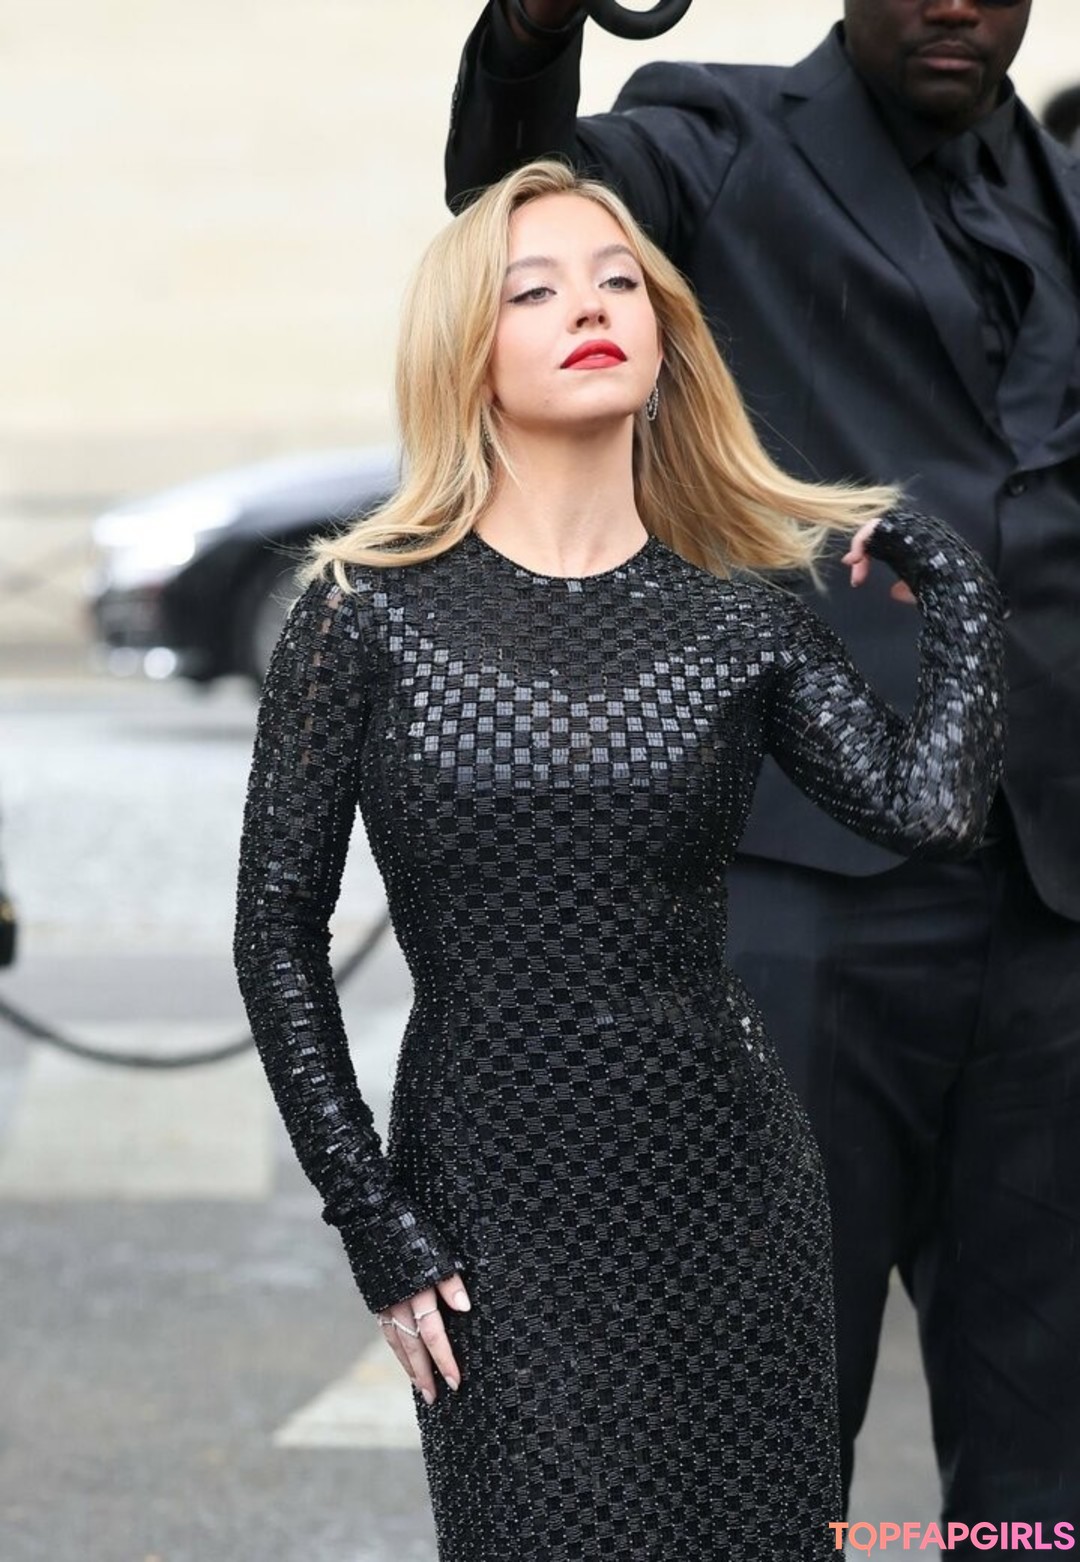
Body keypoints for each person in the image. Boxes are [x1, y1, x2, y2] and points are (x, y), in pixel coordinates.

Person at [232, 159, 1004, 1561]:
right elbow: (277, 931)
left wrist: (949, 581)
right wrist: (372, 1218)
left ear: (662, 336)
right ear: (468, 353)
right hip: (491, 1206)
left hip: (733, 1196)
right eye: (533, 291)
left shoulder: (739, 615)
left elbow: (927, 809)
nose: (590, 307)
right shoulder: (364, 615)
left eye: (617, 281)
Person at [443, 0, 1080, 1538]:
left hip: (1049, 909)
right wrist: (532, 27)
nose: (955, 3)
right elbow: (509, 197)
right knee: (756, 1420)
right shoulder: (720, 143)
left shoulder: (1060, 190)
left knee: (1050, 1450)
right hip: (801, 896)